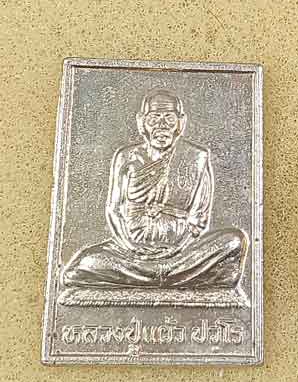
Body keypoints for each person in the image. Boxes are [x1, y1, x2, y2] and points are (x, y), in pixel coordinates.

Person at [62, 88, 247, 289]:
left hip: (182, 251)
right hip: (131, 253)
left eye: (169, 119)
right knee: (86, 262)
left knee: (233, 241)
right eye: (154, 119)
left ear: (180, 122)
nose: (161, 126)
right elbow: (114, 209)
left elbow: (198, 218)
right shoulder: (126, 157)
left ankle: (155, 275)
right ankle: (171, 276)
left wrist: (177, 248)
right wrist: (131, 247)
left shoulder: (196, 157)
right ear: (142, 122)